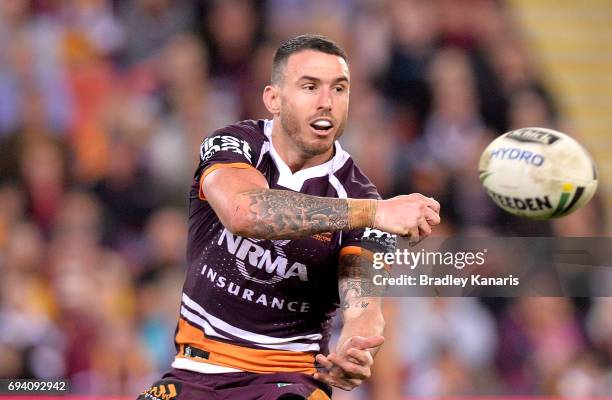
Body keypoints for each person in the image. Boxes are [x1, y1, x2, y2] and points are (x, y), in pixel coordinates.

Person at [138, 34, 440, 400]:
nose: (326, 102)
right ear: (273, 99)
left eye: (339, 89)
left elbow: (364, 306)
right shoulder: (233, 144)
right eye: (310, 86)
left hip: (287, 379)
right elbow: (245, 211)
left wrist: (356, 349)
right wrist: (374, 213)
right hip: (195, 372)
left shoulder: (361, 197)